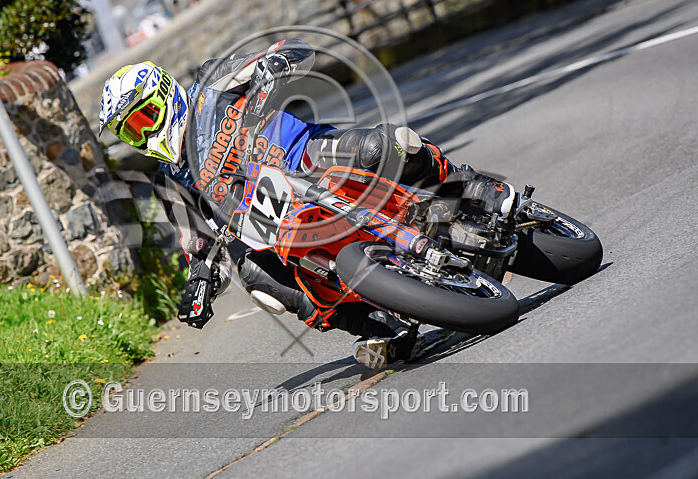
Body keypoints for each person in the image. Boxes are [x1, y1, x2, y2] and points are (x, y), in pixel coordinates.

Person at [98, 39, 514, 369]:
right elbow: (201, 248)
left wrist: (276, 64)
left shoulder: (212, 82)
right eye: (131, 132)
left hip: (304, 153)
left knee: (382, 147)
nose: (144, 134)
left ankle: (472, 190)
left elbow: (292, 50)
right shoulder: (168, 182)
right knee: (262, 285)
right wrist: (199, 285)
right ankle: (379, 326)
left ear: (166, 94)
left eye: (144, 116)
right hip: (267, 220)